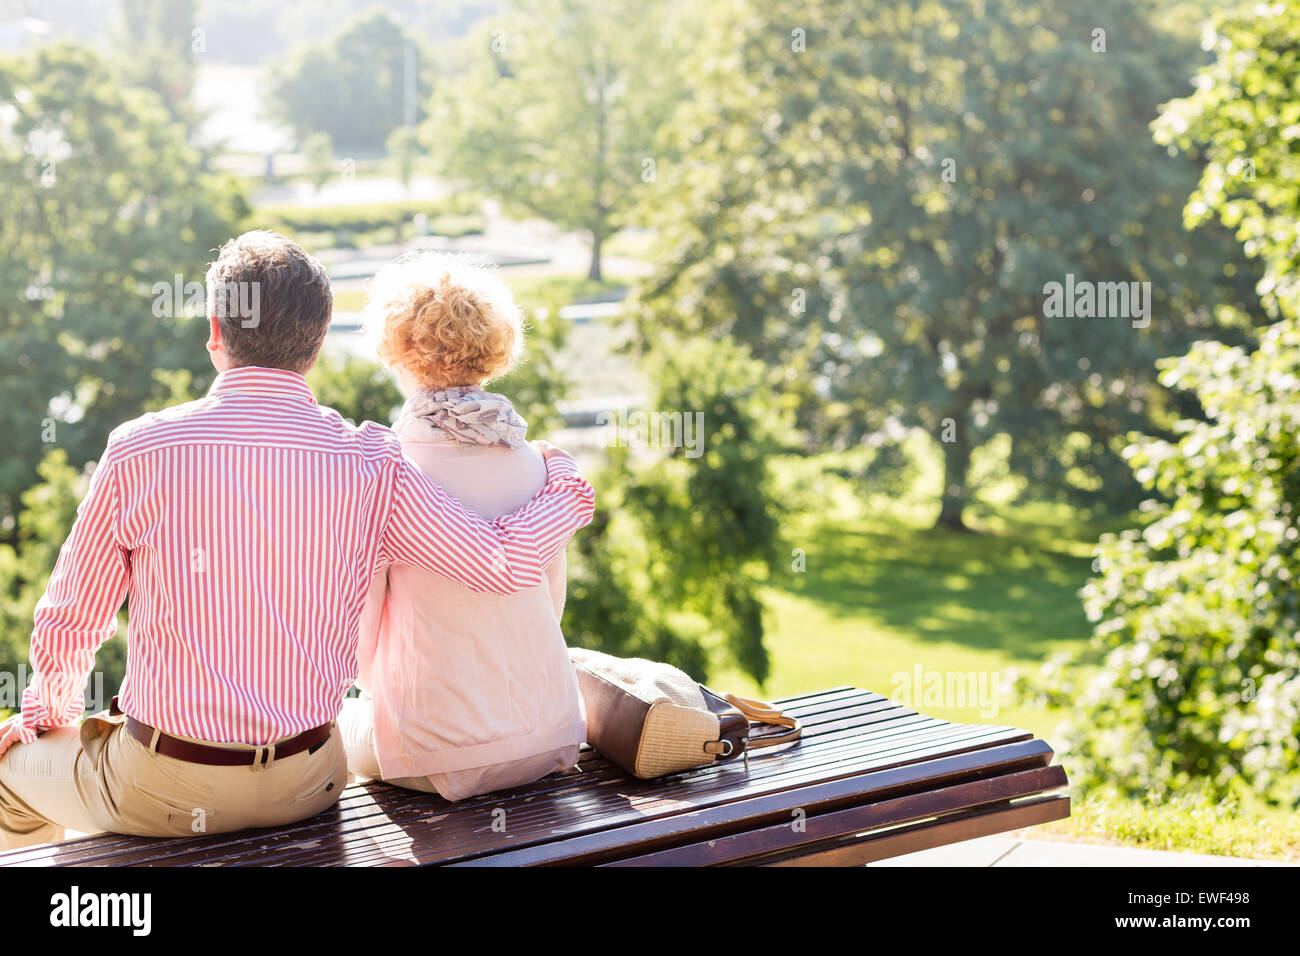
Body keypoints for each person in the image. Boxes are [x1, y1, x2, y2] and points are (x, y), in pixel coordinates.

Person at [0, 232, 594, 848]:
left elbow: (73, 618)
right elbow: (500, 562)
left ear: (215, 329)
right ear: (318, 342)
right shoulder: (370, 459)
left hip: (166, 784)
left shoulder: (142, 450)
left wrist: (48, 710)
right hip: (310, 783)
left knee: (9, 767)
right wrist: (569, 489)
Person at [339, 254, 585, 802]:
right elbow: (551, 601)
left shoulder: (389, 470)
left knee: (330, 728)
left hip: (434, 753)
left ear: (397, 349)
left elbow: (362, 634)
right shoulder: (540, 463)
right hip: (549, 736)